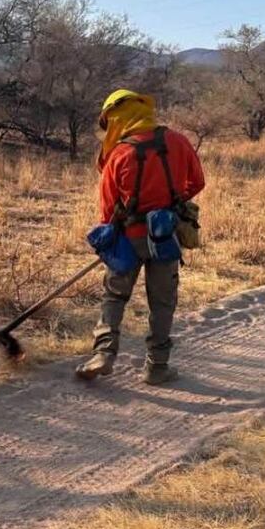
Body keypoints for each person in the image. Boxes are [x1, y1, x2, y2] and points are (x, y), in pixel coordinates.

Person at [76, 89, 205, 384]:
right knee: (162, 303)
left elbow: (107, 212)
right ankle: (157, 367)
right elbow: (198, 181)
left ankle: (103, 355)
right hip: (165, 236)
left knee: (114, 296)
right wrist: (172, 203)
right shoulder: (177, 141)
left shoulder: (118, 155)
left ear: (118, 119)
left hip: (127, 240)